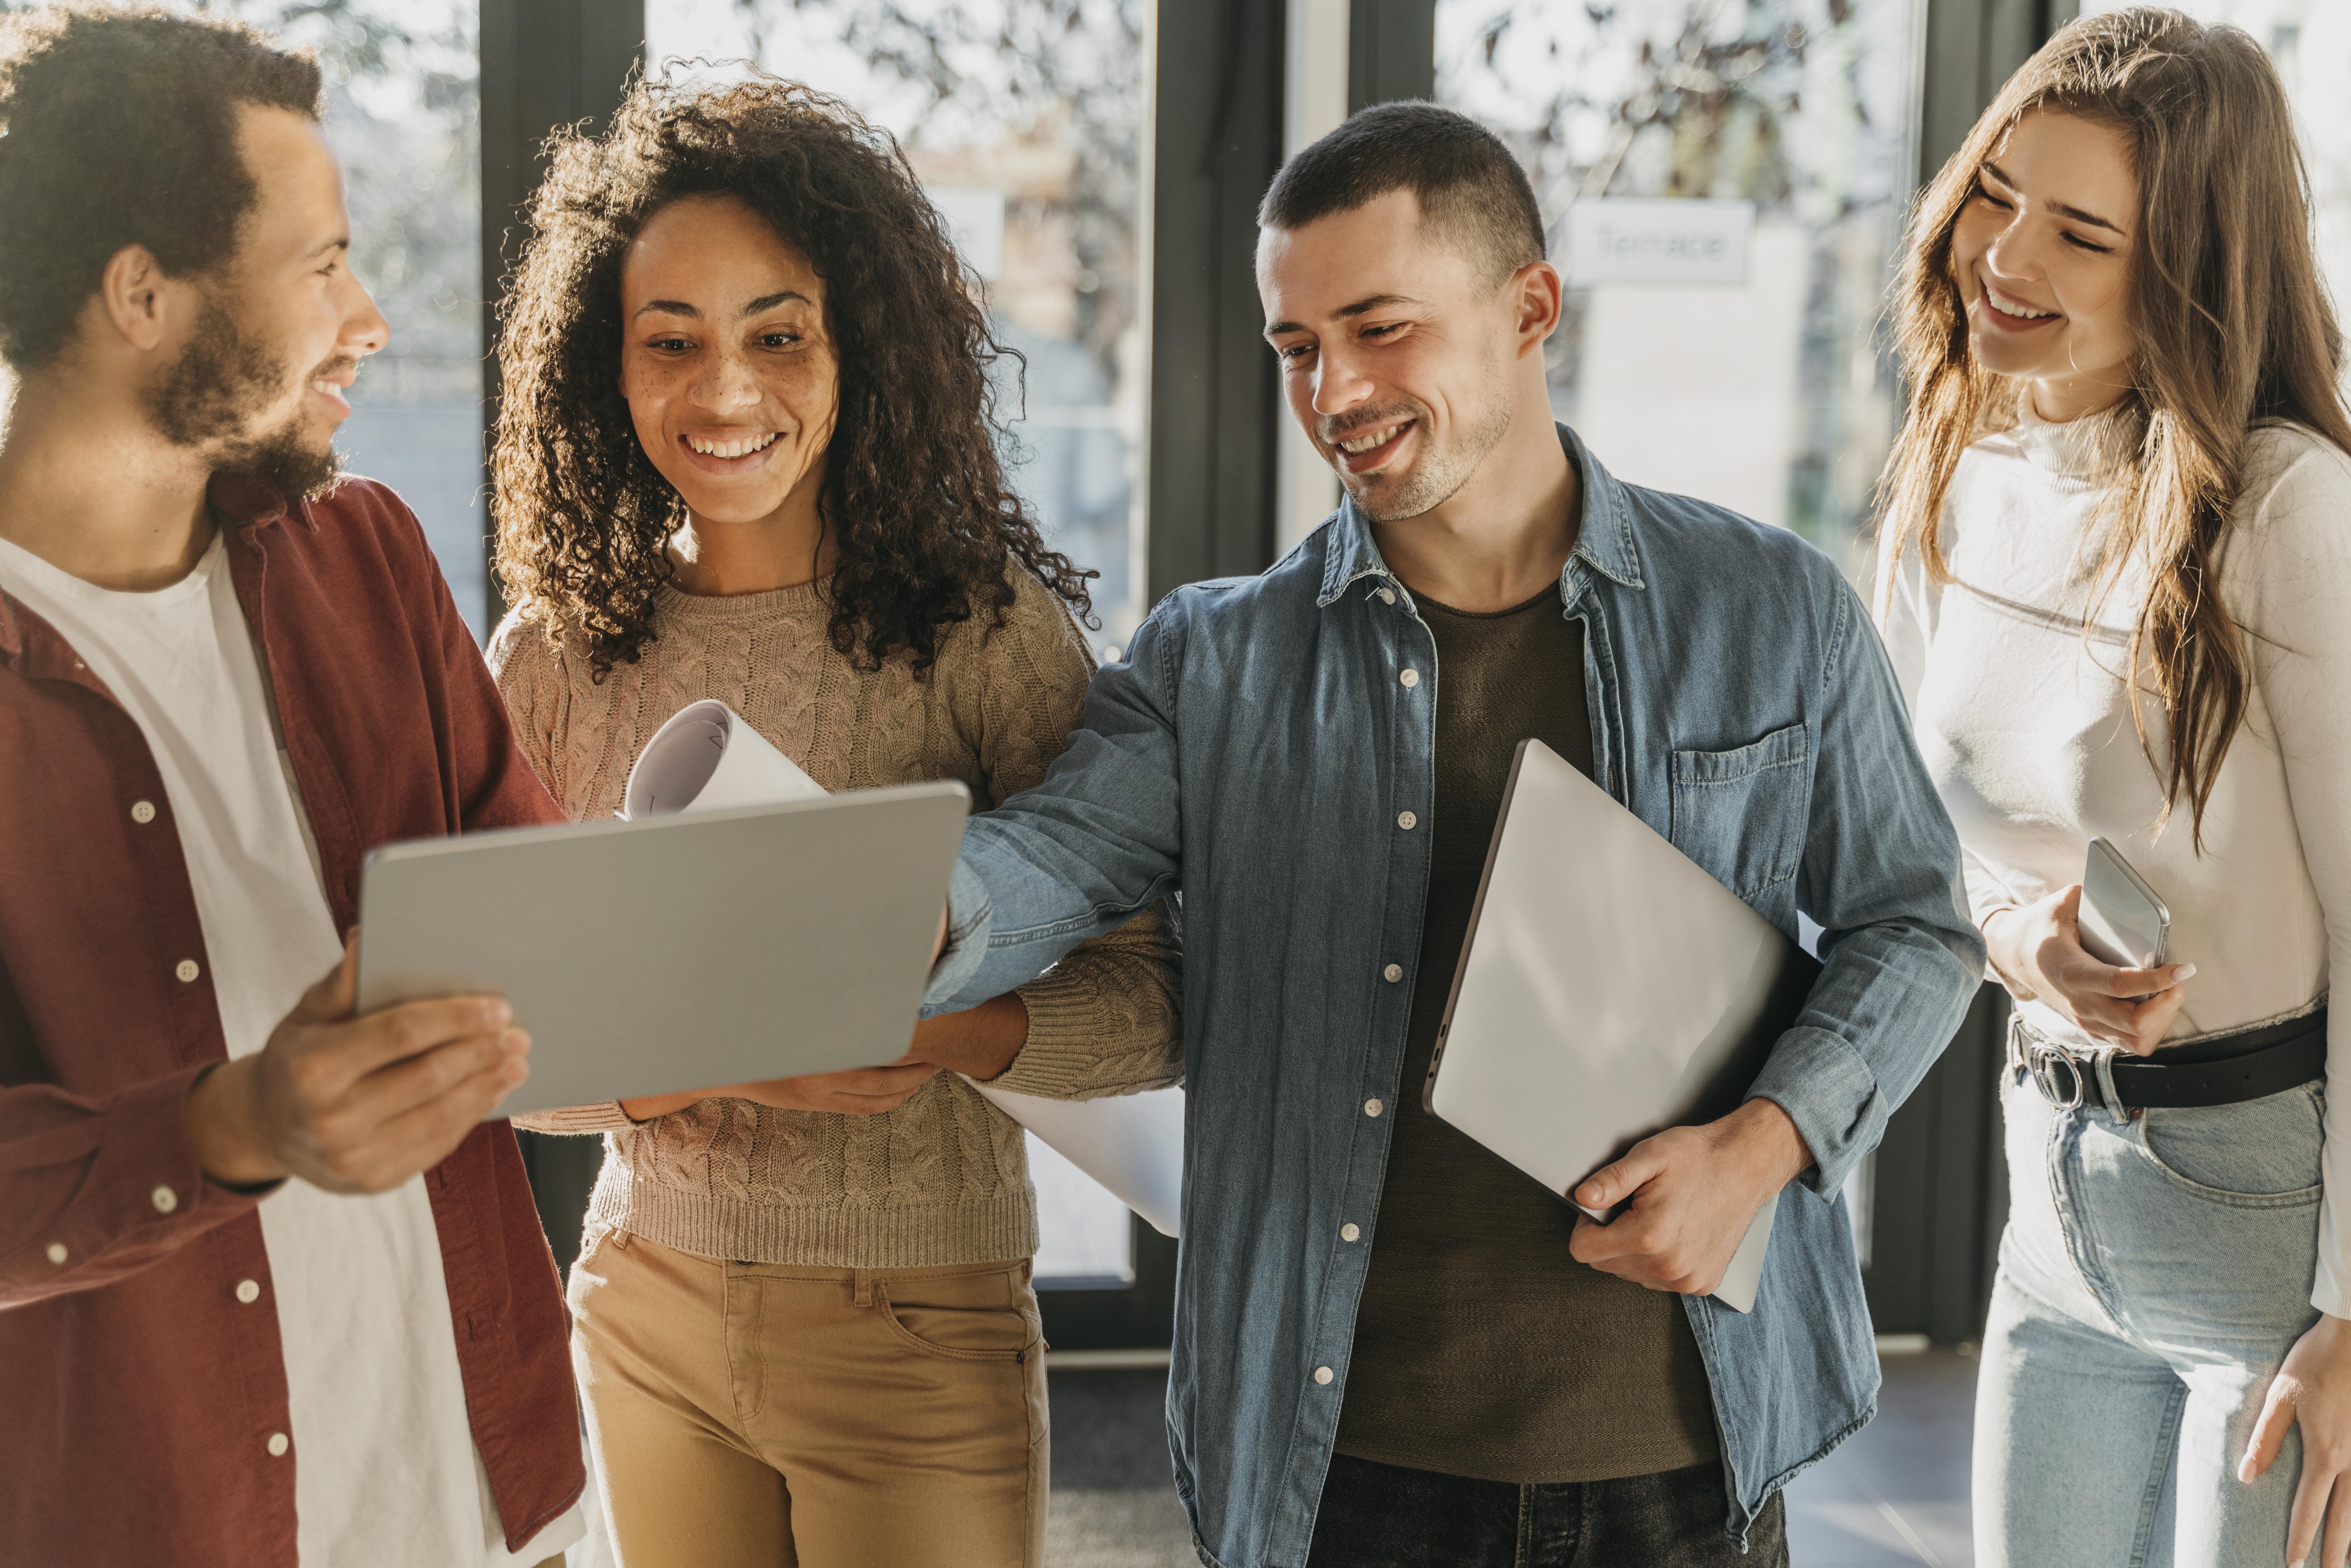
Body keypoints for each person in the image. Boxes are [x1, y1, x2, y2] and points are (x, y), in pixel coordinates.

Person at [919, 100, 1983, 1567]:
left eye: (1380, 327)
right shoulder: (1212, 660)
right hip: (1340, 1468)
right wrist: (901, 915)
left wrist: (1765, 1140)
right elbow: (1046, 856)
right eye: (1298, 347)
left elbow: (1916, 922)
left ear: (1530, 307)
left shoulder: (1773, 610)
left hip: (1685, 1458)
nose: (1334, 388)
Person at [485, 70, 1182, 1568]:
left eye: (777, 336)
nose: (725, 395)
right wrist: (692, 1059)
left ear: (858, 345)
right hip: (641, 1299)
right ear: (606, 371)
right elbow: (505, 1056)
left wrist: (920, 1033)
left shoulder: (981, 631)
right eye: (670, 343)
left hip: (918, 1314)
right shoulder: (553, 655)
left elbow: (1151, 1003)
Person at [0, 8, 587, 1566]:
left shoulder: (368, 555)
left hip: (507, 1491)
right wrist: (234, 1120)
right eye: (322, 263)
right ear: (143, 294)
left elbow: (533, 942)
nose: (370, 313)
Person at [1873, 10, 2351, 1566]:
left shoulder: (2291, 509)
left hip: (2267, 1233)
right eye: (1997, 193)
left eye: (2083, 234)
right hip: (2050, 1202)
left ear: (2191, 275)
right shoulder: (1953, 477)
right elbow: (1905, 852)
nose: (2005, 255)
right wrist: (2025, 941)